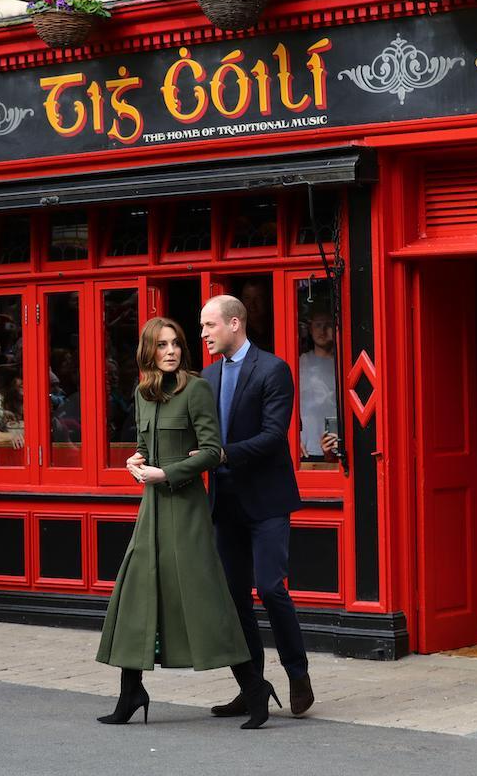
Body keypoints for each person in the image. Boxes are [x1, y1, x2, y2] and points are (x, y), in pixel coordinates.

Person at [98, 317, 276, 729]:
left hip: (188, 510)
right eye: (162, 345)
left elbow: (213, 452)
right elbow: (144, 448)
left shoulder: (196, 389)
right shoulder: (142, 393)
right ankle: (130, 692)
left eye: (176, 343)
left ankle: (254, 688)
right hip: (152, 511)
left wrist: (169, 472)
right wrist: (135, 463)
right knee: (137, 597)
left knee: (207, 600)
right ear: (149, 352)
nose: (172, 351)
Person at [200, 295, 314, 717]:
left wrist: (222, 455)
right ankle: (252, 687)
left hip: (266, 502)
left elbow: (272, 436)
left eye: (210, 326)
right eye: (202, 326)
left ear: (235, 323)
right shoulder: (207, 378)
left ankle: (297, 673)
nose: (204, 334)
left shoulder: (272, 369)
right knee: (234, 600)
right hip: (224, 505)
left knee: (269, 587)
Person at [298, 308, 337, 458]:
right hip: (306, 446)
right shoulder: (300, 363)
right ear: (310, 328)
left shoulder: (342, 364)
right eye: (318, 325)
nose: (323, 330)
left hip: (334, 442)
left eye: (328, 325)